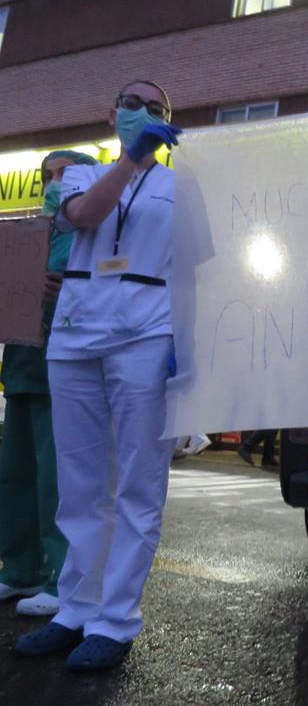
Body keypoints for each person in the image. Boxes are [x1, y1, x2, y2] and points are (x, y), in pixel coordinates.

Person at [12, 80, 181, 671]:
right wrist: (131, 160)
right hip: (76, 335)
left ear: (168, 120)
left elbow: (198, 267)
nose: (138, 113)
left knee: (138, 481)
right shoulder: (80, 176)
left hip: (145, 335)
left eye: (152, 107)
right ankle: (75, 609)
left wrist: (189, 341)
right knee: (81, 482)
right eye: (128, 103)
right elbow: (83, 217)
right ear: (111, 114)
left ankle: (115, 621)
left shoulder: (184, 186)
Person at [0, 151, 98, 618]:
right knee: (14, 474)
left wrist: (75, 287)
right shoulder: (27, 233)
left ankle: (65, 579)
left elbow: (117, 291)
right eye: (47, 175)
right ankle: (20, 569)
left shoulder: (93, 234)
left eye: (64, 174)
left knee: (56, 482)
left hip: (66, 370)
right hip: (21, 366)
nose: (53, 182)